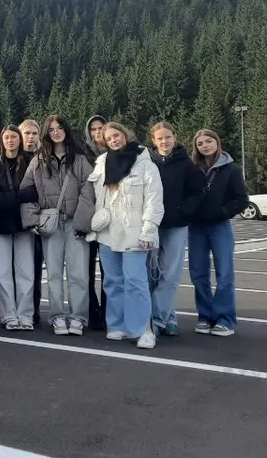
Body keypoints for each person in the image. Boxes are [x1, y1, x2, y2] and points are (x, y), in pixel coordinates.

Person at [87, 122, 163, 350]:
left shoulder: (144, 163)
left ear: (125, 135)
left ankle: (143, 329)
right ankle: (117, 324)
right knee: (112, 281)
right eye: (108, 138)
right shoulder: (101, 163)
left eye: (116, 135)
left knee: (136, 281)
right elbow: (94, 197)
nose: (113, 140)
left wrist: (148, 230)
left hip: (134, 231)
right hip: (108, 232)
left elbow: (154, 200)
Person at [20, 115, 95, 336]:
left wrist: (82, 222)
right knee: (53, 273)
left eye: (60, 128)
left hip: (75, 223)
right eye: (51, 129)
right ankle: (57, 316)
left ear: (66, 131)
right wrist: (32, 220)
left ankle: (78, 317)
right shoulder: (38, 161)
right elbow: (27, 191)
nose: (56, 132)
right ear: (47, 133)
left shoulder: (80, 160)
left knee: (79, 273)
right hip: (50, 223)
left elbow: (88, 192)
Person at [188, 129, 248, 337]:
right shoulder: (192, 169)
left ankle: (224, 319)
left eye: (209, 141)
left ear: (217, 142)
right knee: (198, 274)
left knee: (224, 274)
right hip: (195, 228)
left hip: (220, 227)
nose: (205, 145)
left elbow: (241, 199)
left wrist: (222, 212)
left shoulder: (230, 169)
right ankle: (205, 317)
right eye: (200, 143)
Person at [148, 122, 205, 337]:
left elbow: (198, 191)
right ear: (153, 141)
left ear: (175, 137)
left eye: (168, 137)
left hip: (176, 226)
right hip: (151, 226)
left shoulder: (186, 164)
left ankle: (156, 319)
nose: (164, 141)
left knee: (170, 274)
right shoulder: (146, 162)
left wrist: (185, 210)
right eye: (160, 138)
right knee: (153, 274)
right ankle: (168, 316)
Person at [0, 126, 39, 331]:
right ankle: (8, 315)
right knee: (4, 272)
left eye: (14, 137)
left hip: (24, 224)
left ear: (20, 139)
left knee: (26, 272)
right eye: (6, 137)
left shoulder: (31, 162)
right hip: (0, 224)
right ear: (1, 140)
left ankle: (25, 315)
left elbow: (35, 192)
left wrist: (5, 196)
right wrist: (18, 196)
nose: (10, 141)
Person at [83, 114, 108, 330]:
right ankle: (92, 311)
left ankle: (109, 312)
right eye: (93, 129)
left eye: (101, 127)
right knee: (86, 269)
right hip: (89, 219)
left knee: (109, 270)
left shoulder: (117, 153)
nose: (97, 132)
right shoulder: (84, 153)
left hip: (111, 220)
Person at [18, 118, 44, 326]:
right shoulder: (13, 159)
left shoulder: (45, 158)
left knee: (35, 267)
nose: (30, 137)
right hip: (16, 222)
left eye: (34, 133)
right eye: (27, 133)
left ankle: (33, 310)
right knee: (18, 269)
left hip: (40, 220)